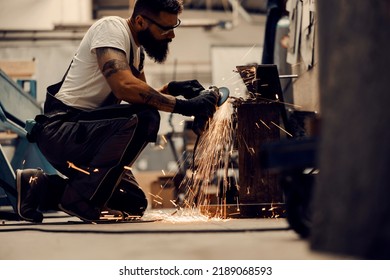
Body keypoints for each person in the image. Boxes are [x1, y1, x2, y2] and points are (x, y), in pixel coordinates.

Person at [17, 0, 218, 223]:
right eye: (165, 28)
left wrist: (173, 89)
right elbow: (124, 87)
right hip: (63, 130)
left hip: (86, 133)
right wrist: (184, 107)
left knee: (133, 202)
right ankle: (80, 199)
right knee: (145, 119)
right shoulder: (111, 29)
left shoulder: (136, 53)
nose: (171, 35)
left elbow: (143, 97)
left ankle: (37, 186)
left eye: (174, 27)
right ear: (140, 21)